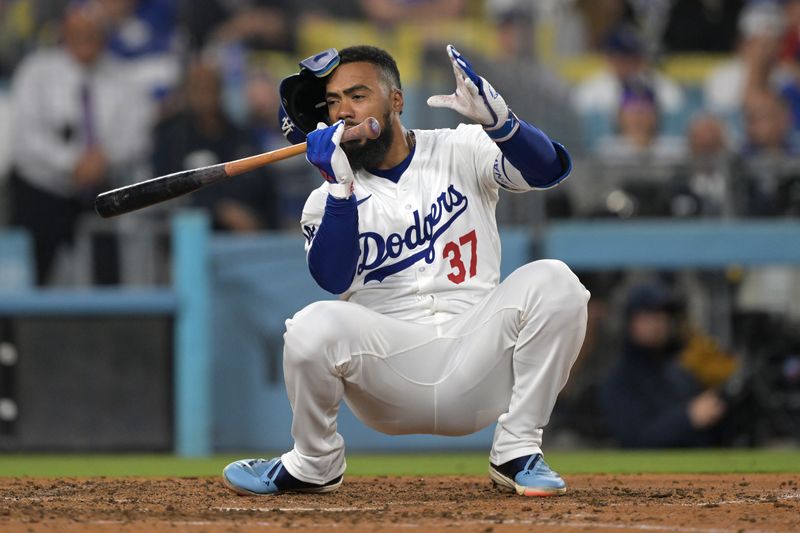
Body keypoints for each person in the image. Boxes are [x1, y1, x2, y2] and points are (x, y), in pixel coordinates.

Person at [222, 45, 589, 497]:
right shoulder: (326, 198)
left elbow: (549, 170)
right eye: (333, 102)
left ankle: (517, 450)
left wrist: (503, 126)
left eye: (357, 95)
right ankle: (313, 463)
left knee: (557, 282)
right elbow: (332, 279)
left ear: (395, 100)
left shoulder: (461, 146)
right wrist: (339, 189)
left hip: (479, 358)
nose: (344, 111)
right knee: (310, 326)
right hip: (388, 375)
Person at [8, 1, 153, 284]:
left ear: (104, 34)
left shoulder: (124, 78)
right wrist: (72, 162)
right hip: (44, 191)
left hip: (102, 190)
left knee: (107, 274)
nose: (86, 39)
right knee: (33, 277)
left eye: (93, 32)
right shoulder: (36, 72)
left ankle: (109, 322)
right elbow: (25, 138)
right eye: (78, 31)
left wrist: (105, 158)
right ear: (65, 32)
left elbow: (138, 136)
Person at [598, 280, 731, 448]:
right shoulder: (619, 380)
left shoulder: (681, 374)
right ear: (631, 322)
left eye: (663, 316)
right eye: (649, 315)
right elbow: (634, 438)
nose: (658, 323)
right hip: (643, 472)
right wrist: (688, 418)